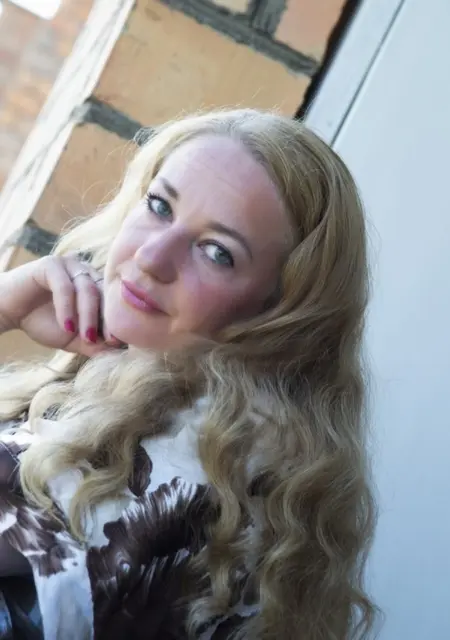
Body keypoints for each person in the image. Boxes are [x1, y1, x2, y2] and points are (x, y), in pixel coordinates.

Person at [0, 108, 377, 639]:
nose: (152, 257)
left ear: (278, 313)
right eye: (159, 206)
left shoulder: (190, 470)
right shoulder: (128, 389)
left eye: (217, 252)